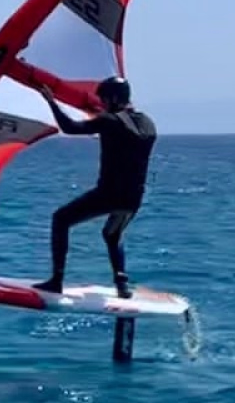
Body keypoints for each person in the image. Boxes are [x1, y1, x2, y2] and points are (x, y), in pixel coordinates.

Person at [34, 76, 157, 297]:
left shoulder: (109, 121)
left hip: (109, 194)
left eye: (103, 100)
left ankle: (56, 281)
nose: (101, 104)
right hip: (133, 198)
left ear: (113, 98)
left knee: (60, 219)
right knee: (112, 235)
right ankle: (122, 284)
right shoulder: (148, 123)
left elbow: (70, 127)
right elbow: (123, 132)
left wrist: (51, 102)